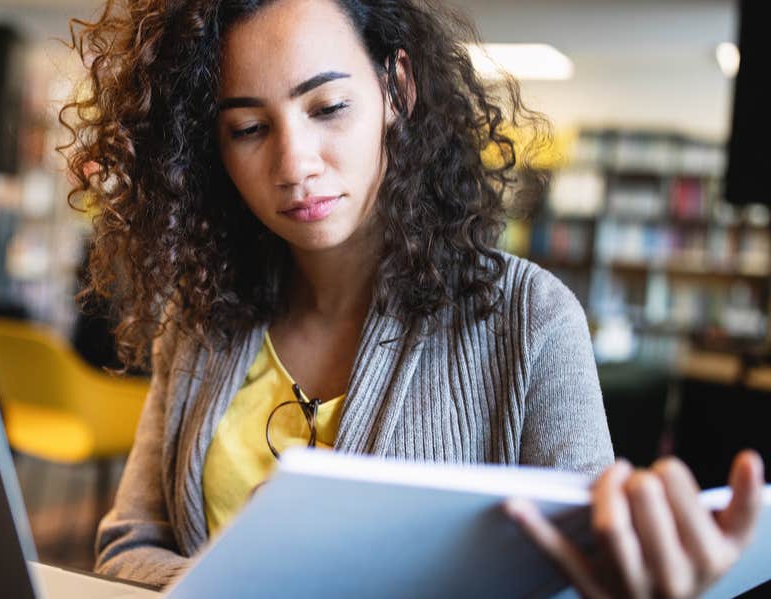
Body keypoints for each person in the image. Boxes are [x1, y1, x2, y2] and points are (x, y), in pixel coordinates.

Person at [59, 0, 765, 596]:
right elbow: (127, 545)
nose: (295, 163)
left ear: (397, 90)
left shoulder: (530, 319)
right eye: (248, 128)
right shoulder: (200, 321)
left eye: (328, 107)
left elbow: (581, 576)